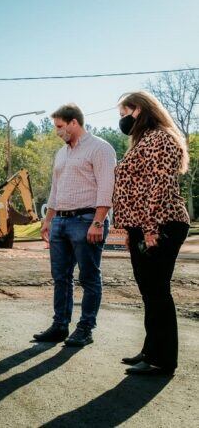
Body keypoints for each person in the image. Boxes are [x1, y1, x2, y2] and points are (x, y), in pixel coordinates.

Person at [113, 91, 190, 376]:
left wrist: (149, 230)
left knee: (157, 291)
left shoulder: (161, 138)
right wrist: (129, 231)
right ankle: (150, 350)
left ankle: (162, 359)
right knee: (149, 292)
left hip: (161, 225)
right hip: (144, 227)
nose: (122, 120)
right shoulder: (144, 141)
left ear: (141, 110)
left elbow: (160, 187)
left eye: (125, 114)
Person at [36, 104, 117, 347]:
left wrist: (98, 221)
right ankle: (60, 325)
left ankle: (85, 328)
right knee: (60, 277)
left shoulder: (100, 148)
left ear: (74, 123)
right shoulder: (61, 154)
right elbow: (55, 189)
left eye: (60, 126)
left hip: (86, 220)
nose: (57, 132)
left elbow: (107, 187)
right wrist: (48, 220)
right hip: (60, 220)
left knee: (89, 277)